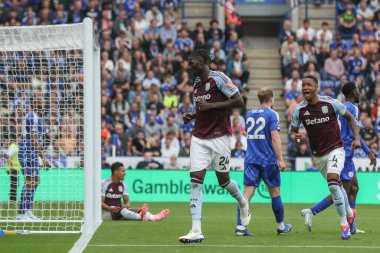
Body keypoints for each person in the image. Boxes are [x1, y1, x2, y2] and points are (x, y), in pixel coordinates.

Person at [178, 49, 250, 244]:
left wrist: (212, 107)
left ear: (201, 61)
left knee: (223, 181)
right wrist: (192, 115)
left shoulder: (219, 78)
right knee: (195, 182)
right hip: (199, 137)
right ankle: (196, 230)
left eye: (191, 62)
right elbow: (202, 108)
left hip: (220, 137)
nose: (189, 65)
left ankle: (243, 201)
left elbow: (239, 101)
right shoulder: (196, 84)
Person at [301, 82, 376, 234]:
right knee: (343, 191)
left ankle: (352, 226)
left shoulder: (343, 107)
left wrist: (367, 150)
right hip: (345, 153)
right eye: (358, 90)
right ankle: (312, 211)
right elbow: (353, 133)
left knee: (354, 188)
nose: (359, 92)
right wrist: (367, 151)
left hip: (346, 151)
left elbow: (352, 132)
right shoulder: (351, 108)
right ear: (353, 92)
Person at [290, 76, 360, 240]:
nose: (305, 87)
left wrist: (357, 138)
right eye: (303, 85)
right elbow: (293, 131)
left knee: (333, 184)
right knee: (338, 186)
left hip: (336, 149)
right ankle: (350, 213)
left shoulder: (331, 103)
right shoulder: (299, 110)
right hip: (319, 155)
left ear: (316, 87)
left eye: (308, 84)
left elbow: (350, 118)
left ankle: (344, 225)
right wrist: (295, 136)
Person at [235, 88, 292, 236]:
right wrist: (280, 159)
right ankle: (281, 226)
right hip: (268, 159)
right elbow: (275, 137)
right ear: (271, 99)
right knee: (275, 192)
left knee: (247, 193)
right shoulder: (272, 114)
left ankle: (240, 228)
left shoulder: (249, 114)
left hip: (251, 158)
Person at [16, 91, 51, 220]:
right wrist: (44, 158)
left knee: (36, 181)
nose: (43, 102)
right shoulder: (32, 117)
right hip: (27, 152)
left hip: (33, 153)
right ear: (34, 103)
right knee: (30, 181)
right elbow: (34, 139)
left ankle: (28, 210)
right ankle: (21, 213)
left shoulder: (38, 118)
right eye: (40, 100)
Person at [101, 162, 170, 221]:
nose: (125, 173)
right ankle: (141, 217)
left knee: (137, 209)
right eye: (123, 171)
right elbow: (100, 202)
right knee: (123, 211)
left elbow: (127, 201)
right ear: (115, 172)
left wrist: (126, 206)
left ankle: (154, 217)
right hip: (106, 213)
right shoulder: (105, 183)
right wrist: (110, 208)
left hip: (118, 211)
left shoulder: (123, 184)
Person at [5, 134, 22, 201]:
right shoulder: (13, 146)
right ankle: (12, 199)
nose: (20, 139)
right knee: (14, 183)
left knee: (15, 183)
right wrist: (11, 166)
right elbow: (7, 155)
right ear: (16, 138)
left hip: (15, 168)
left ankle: (12, 197)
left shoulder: (17, 146)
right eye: (18, 138)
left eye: (20, 138)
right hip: (12, 168)